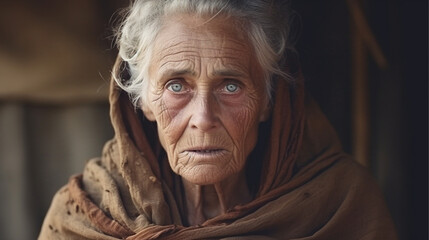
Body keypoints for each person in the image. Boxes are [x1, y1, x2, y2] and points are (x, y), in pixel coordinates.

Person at [39, 0, 398, 239]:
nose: (203, 118)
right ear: (144, 102)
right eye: (176, 85)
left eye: (230, 86)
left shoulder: (339, 207)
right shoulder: (85, 217)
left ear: (268, 101)